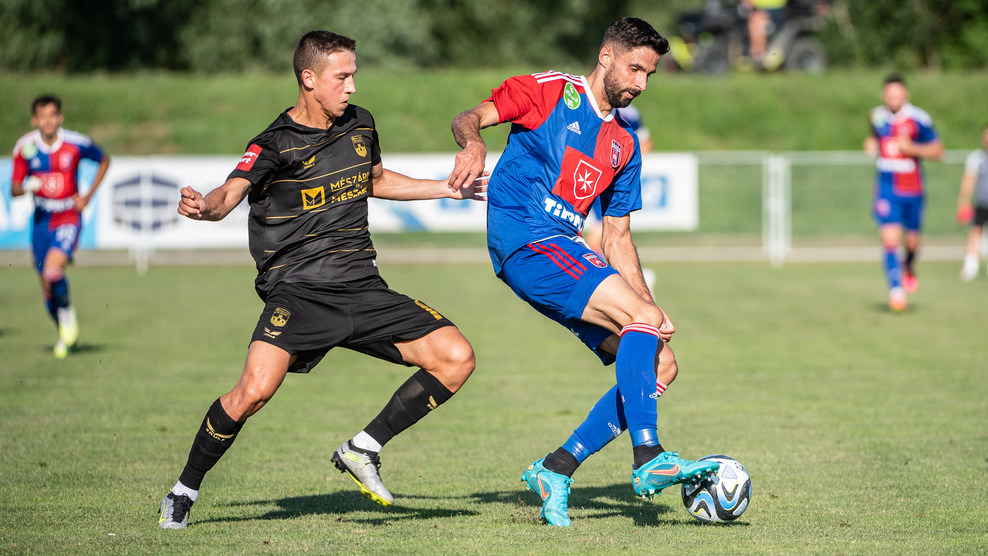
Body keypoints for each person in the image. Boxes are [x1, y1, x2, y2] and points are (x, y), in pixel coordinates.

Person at [157, 30, 486, 529]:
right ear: (309, 79)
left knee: (456, 356)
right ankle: (183, 491)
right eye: (342, 76)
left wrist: (447, 189)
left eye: (353, 75)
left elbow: (376, 180)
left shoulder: (361, 123)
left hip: (362, 285)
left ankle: (363, 448)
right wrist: (205, 207)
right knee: (252, 392)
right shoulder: (273, 143)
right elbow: (229, 193)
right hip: (299, 291)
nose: (351, 86)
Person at [449, 18, 718, 527]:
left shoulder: (625, 144)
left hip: (562, 249)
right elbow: (470, 117)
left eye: (649, 74)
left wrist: (650, 307)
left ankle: (557, 468)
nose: (641, 83)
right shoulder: (548, 91)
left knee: (661, 363)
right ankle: (649, 456)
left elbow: (617, 237)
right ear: (606, 56)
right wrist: (474, 144)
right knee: (640, 323)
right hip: (525, 238)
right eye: (635, 68)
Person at [9, 96, 110, 358]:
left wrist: (87, 196)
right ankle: (65, 330)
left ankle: (67, 322)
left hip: (68, 217)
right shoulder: (25, 147)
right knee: (45, 283)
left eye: (52, 115)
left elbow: (104, 160)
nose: (48, 121)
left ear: (60, 117)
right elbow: (14, 188)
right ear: (34, 120)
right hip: (41, 221)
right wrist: (28, 185)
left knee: (53, 271)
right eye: (42, 116)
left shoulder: (76, 144)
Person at [863, 73, 944, 312]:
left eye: (898, 93)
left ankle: (909, 265)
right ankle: (896, 291)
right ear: (883, 95)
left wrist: (912, 149)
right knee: (889, 240)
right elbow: (875, 138)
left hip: (912, 190)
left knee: (912, 244)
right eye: (890, 94)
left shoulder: (919, 119)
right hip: (886, 189)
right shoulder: (876, 116)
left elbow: (939, 151)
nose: (894, 98)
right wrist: (871, 144)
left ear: (906, 94)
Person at [957, 124, 988, 282]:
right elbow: (968, 181)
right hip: (982, 203)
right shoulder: (977, 158)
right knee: (976, 232)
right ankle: (971, 265)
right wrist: (964, 202)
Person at [741, 0, 787, 65]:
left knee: (758, 21)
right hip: (757, 9)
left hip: (777, 10)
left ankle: (759, 57)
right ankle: (757, 57)